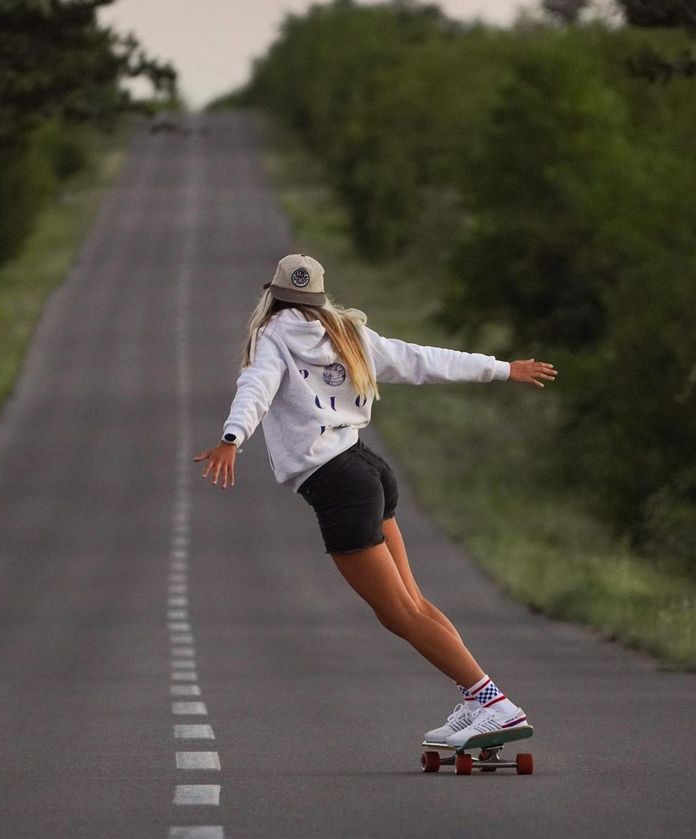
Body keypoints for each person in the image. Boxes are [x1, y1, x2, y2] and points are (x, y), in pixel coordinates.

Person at [194, 254, 557, 747]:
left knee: (398, 614)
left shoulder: (271, 337)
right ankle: (477, 702)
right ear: (318, 297)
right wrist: (500, 368)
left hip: (338, 485)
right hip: (367, 468)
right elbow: (420, 359)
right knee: (414, 604)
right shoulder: (347, 333)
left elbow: (254, 387)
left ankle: (494, 703)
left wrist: (232, 438)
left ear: (273, 295)